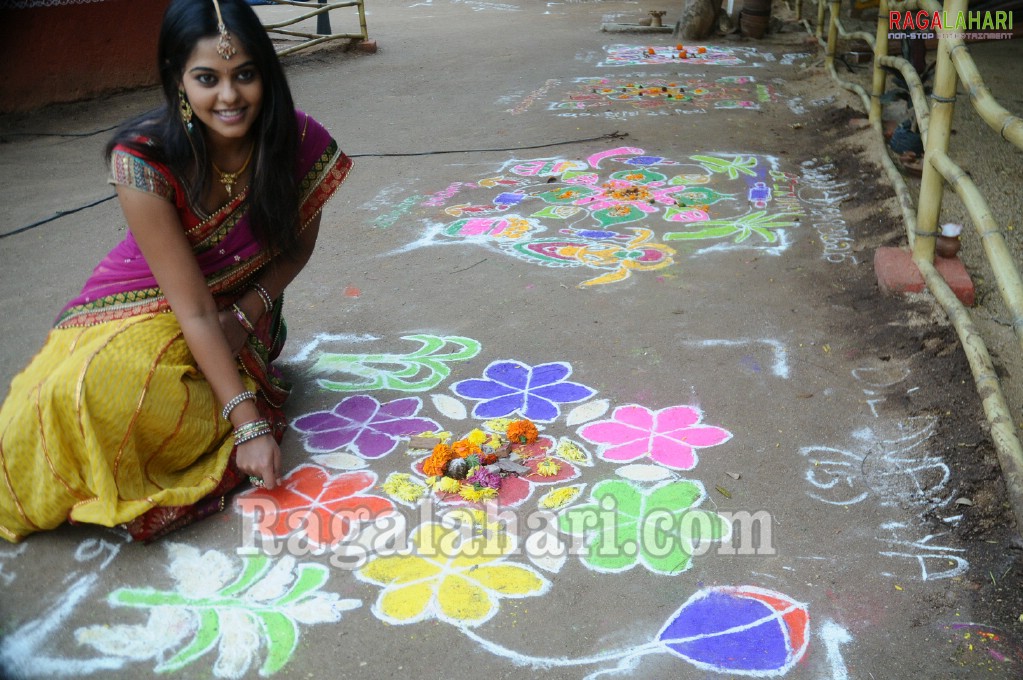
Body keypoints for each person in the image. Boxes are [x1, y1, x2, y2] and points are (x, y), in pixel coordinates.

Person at [0, 0, 352, 543]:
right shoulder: (143, 157)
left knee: (140, 392)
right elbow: (190, 307)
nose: (230, 96)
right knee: (67, 394)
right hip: (145, 302)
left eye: (246, 75)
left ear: (267, 74)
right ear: (177, 79)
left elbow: (297, 251)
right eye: (207, 78)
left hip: (239, 309)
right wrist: (250, 426)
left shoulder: (299, 143)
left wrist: (247, 310)